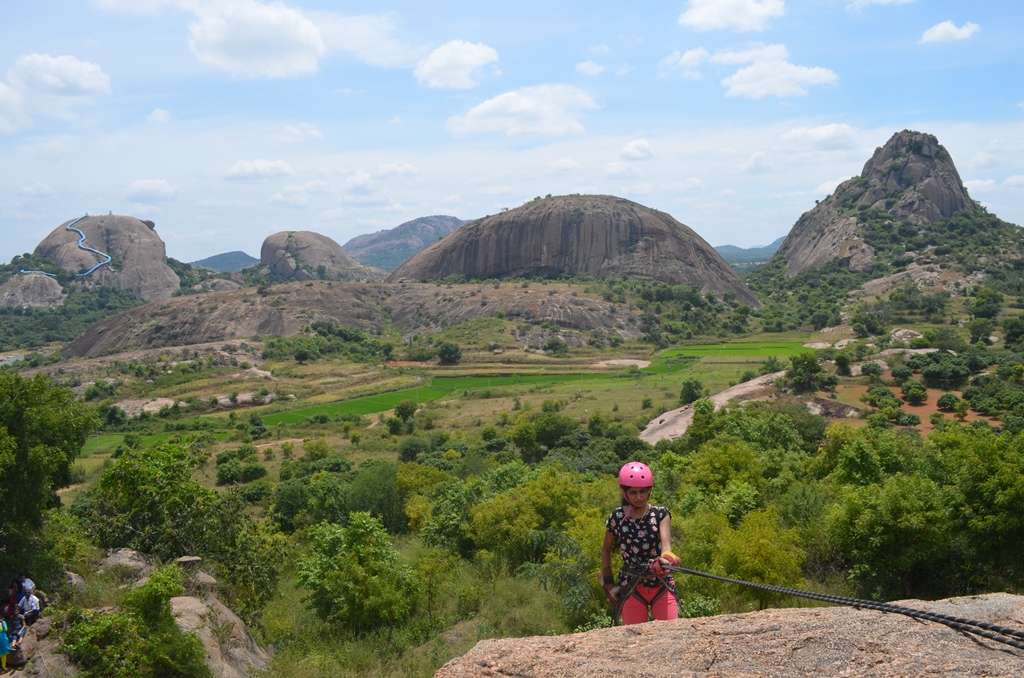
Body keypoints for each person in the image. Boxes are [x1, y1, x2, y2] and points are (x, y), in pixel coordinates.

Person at [600, 461, 681, 624]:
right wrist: (608, 583)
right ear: (625, 493)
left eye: (643, 492)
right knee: (634, 638)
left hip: (660, 582)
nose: (639, 497)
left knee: (670, 632)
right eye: (633, 492)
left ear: (650, 491)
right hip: (631, 586)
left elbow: (666, 546)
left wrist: (666, 559)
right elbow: (606, 550)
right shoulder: (616, 518)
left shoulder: (660, 514)